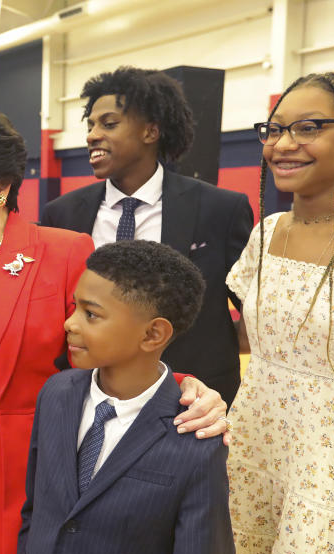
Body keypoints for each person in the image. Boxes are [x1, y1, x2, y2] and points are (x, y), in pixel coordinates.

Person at [0, 109, 229, 554]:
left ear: (1, 184)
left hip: (28, 472)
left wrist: (185, 387)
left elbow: (112, 345)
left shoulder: (63, 250)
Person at [11, 240, 234, 554]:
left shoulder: (196, 439)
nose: (70, 323)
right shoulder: (55, 395)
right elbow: (35, 514)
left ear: (153, 333)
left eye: (91, 314)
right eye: (74, 307)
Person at [40, 66, 253, 407]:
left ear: (151, 131)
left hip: (190, 401)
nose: (93, 135)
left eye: (108, 124)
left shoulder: (220, 209)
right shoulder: (61, 214)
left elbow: (253, 310)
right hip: (89, 395)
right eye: (91, 125)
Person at [226, 70, 334, 554]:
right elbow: (257, 337)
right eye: (274, 129)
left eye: (308, 128)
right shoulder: (266, 233)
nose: (283, 144)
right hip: (258, 449)